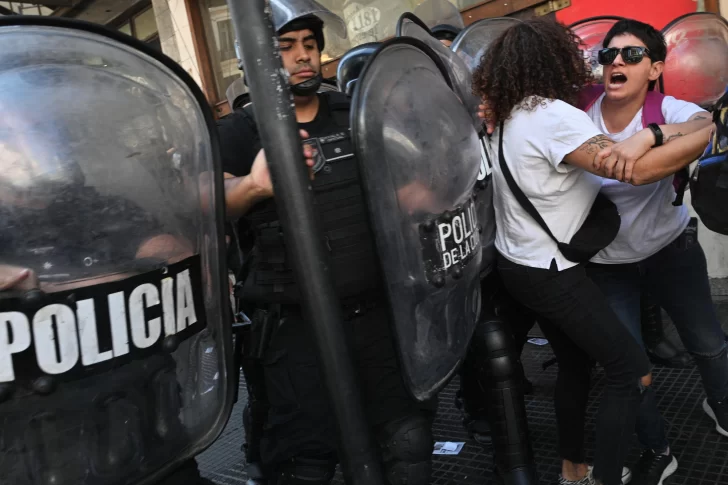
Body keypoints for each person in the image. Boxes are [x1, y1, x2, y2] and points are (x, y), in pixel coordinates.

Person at [472, 17, 714, 485]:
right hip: (553, 273)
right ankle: (602, 476)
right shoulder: (553, 116)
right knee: (631, 373)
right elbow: (637, 171)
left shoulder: (507, 113)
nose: (602, 64)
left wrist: (655, 129)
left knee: (577, 365)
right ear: (557, 59)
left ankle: (574, 470)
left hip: (518, 265)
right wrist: (702, 129)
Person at [217, 2, 435, 484]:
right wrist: (254, 185)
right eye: (286, 48)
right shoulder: (238, 132)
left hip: (377, 314)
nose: (303, 57)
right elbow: (210, 204)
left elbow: (402, 178)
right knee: (305, 464)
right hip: (296, 331)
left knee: (405, 443)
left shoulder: (353, 112)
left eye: (310, 46)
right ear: (254, 60)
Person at [579, 18, 728, 485]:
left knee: (707, 343)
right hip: (606, 266)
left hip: (671, 249)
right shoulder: (579, 110)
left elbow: (709, 123)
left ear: (655, 68)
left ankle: (722, 407)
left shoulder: (668, 108)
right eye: (608, 55)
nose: (616, 62)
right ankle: (657, 449)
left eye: (631, 55)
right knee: (629, 368)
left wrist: (653, 134)